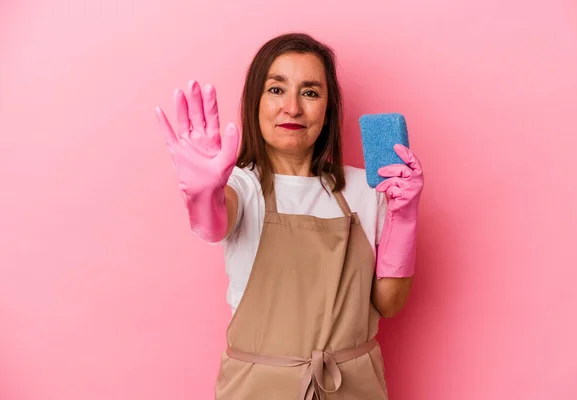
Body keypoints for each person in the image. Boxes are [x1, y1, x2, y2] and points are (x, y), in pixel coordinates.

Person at [154, 32, 424, 400]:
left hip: (353, 388)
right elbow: (214, 223)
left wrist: (404, 216)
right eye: (276, 90)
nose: (293, 108)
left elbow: (389, 304)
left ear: (328, 110)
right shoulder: (241, 186)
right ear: (255, 101)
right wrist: (203, 195)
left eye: (310, 93)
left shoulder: (366, 189)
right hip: (258, 390)